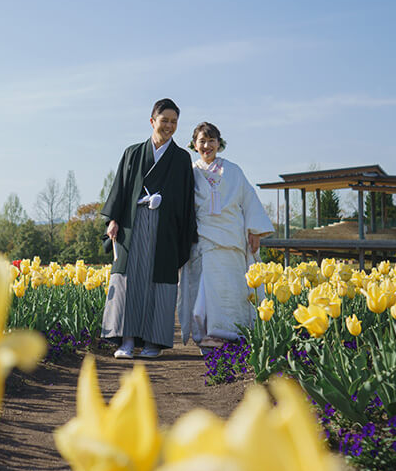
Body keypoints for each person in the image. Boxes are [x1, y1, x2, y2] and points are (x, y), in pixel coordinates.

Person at [101, 99, 195, 359]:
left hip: (164, 227)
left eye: (174, 122)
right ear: (152, 121)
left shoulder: (181, 158)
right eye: (164, 120)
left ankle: (154, 341)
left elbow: (186, 199)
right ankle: (127, 341)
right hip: (133, 222)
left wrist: (167, 204)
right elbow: (119, 188)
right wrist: (113, 219)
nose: (169, 126)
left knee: (159, 282)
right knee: (129, 280)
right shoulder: (133, 152)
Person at [176, 121, 274, 351]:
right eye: (202, 141)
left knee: (232, 287)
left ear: (219, 143)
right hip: (203, 238)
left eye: (211, 140)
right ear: (194, 144)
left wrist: (255, 230)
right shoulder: (189, 172)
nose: (207, 145)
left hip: (232, 237)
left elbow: (248, 199)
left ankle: (234, 332)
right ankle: (208, 334)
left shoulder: (233, 170)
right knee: (205, 287)